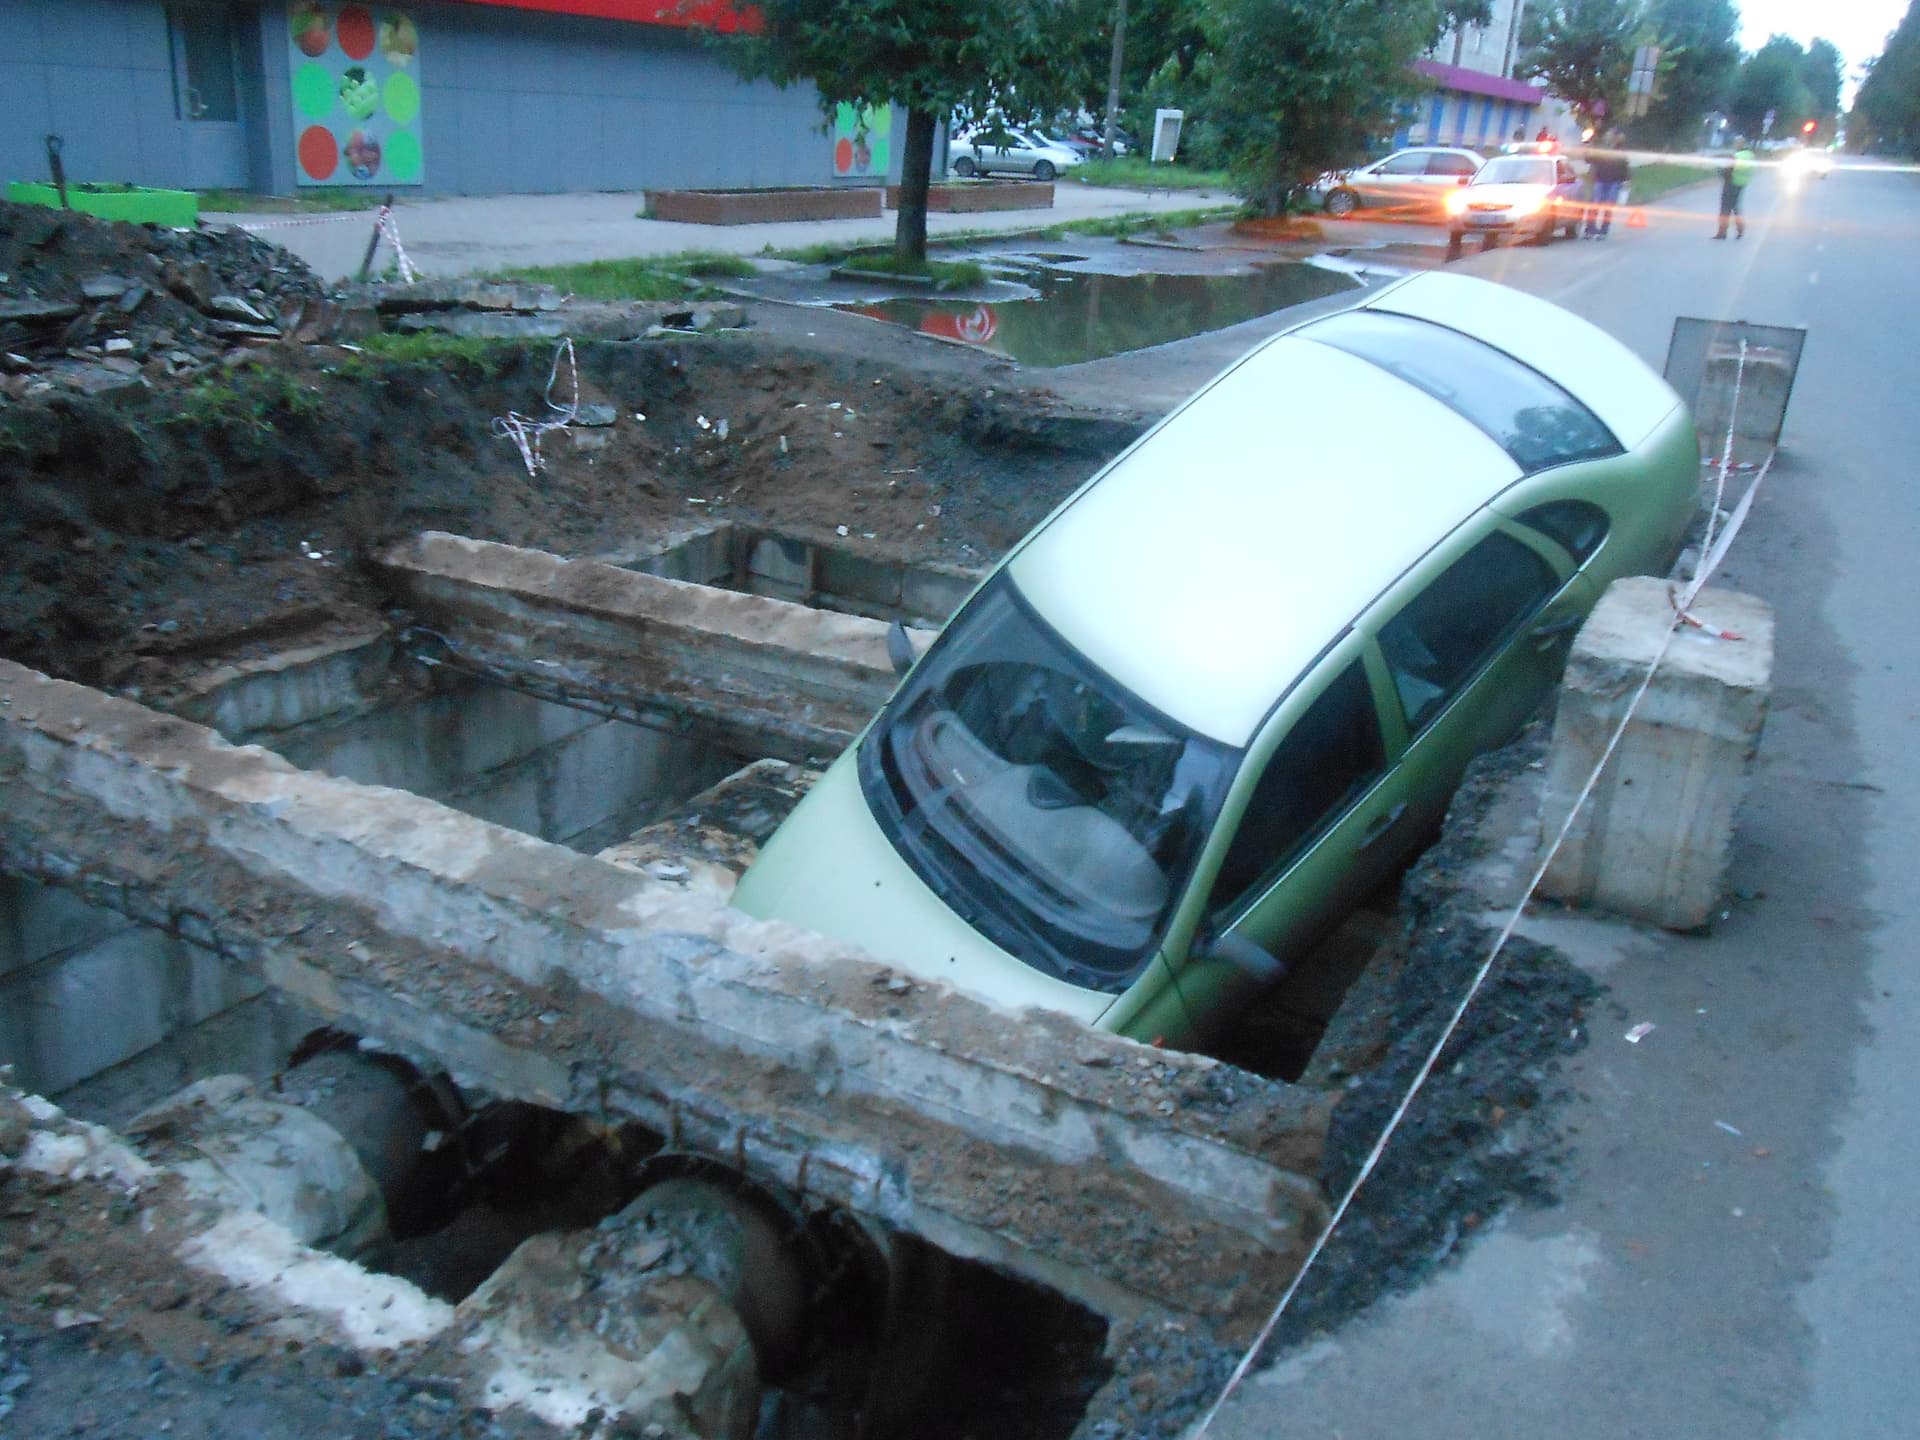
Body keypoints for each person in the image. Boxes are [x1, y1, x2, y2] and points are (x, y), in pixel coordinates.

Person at [1584, 135, 1631, 237]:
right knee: (1595, 205)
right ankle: (1590, 229)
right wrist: (1588, 148)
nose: (1611, 139)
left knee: (1608, 207)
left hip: (1615, 181)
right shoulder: (1601, 148)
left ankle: (1603, 231)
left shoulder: (1620, 149)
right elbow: (1589, 159)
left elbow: (1625, 165)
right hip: (1600, 180)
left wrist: (1627, 179)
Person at [1714, 140, 1756, 238]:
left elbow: (1728, 169)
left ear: (1739, 145)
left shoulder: (1737, 156)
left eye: (1736, 144)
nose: (1735, 145)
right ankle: (1740, 230)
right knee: (1736, 207)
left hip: (1731, 183)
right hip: (1741, 184)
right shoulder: (1750, 156)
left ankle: (1722, 232)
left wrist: (1720, 171)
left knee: (1725, 208)